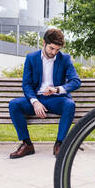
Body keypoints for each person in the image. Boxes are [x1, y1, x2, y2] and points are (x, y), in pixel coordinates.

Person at [8, 28, 81, 159]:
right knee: (14, 104)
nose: (54, 52)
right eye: (52, 48)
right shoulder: (31, 58)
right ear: (44, 43)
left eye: (57, 50)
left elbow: (76, 81)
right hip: (37, 98)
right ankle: (27, 144)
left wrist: (57, 89)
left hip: (55, 99)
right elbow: (26, 84)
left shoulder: (65, 59)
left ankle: (59, 144)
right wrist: (35, 102)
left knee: (69, 105)